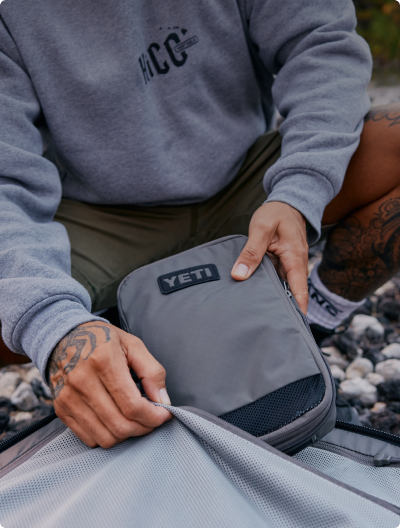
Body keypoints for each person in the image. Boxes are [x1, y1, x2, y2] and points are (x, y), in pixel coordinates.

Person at [1, 0, 396, 449]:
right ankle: (124, 339)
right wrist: (56, 329)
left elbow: (322, 46)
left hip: (246, 183)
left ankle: (305, 331)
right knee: (16, 301)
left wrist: (297, 192)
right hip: (100, 217)